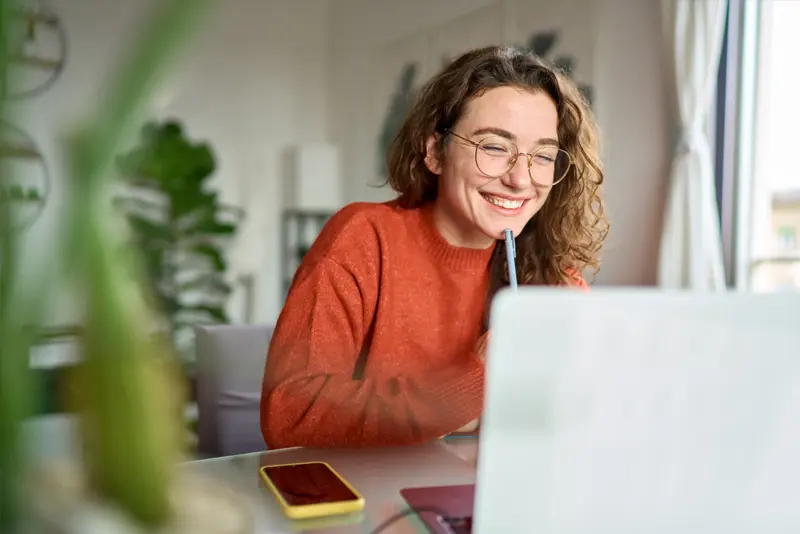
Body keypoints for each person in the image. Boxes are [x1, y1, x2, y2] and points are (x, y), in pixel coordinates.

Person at [260, 45, 608, 449]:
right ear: (434, 153)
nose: (520, 179)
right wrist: (473, 384)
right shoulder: (364, 238)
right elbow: (290, 414)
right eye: (494, 147)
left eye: (543, 156)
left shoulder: (552, 276)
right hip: (367, 503)